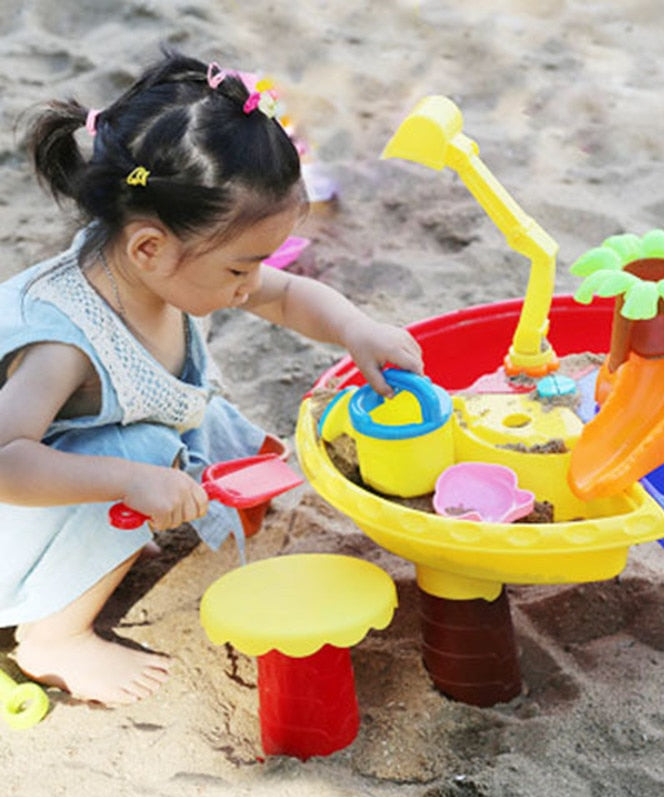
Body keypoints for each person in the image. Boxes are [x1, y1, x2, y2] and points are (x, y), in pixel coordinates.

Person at [0, 51, 423, 706]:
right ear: (149, 247)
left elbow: (283, 297)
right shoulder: (64, 339)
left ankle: (192, 501)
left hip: (126, 430)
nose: (253, 284)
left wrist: (355, 330)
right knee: (140, 452)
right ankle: (53, 640)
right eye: (239, 269)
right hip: (17, 511)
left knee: (217, 434)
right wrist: (130, 480)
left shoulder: (163, 258)